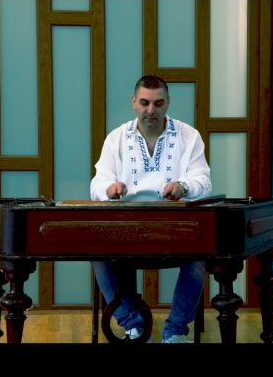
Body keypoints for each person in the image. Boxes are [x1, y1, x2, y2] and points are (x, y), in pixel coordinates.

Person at [90, 75, 212, 343]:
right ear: (133, 102)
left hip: (175, 229)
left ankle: (176, 331)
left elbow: (204, 182)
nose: (150, 110)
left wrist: (183, 186)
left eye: (158, 103)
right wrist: (109, 188)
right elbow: (97, 183)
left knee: (199, 257)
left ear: (167, 103)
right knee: (99, 255)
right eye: (144, 103)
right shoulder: (116, 138)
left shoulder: (189, 136)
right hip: (125, 229)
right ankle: (132, 324)